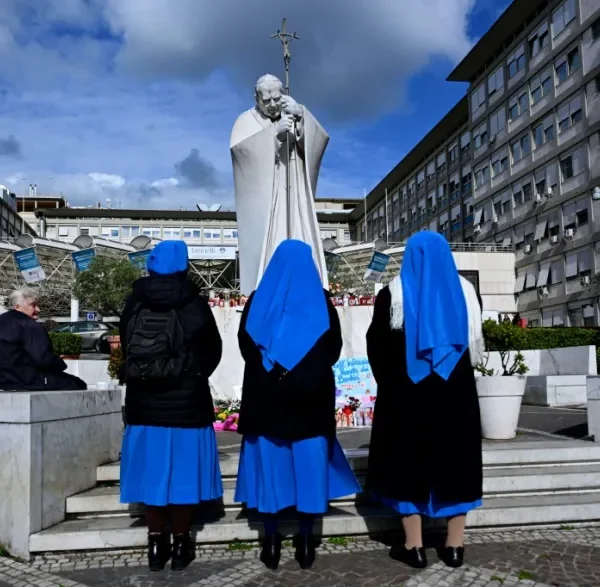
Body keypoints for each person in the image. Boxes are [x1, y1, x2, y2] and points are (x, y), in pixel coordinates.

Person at [234, 239, 361, 570]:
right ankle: (306, 541)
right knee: (309, 467)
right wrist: (302, 371)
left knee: (272, 468)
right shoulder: (322, 302)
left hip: (266, 396)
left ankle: (272, 541)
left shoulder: (257, 301)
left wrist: (275, 370)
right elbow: (332, 349)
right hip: (310, 398)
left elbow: (246, 346)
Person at [365, 231, 484, 570]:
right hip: (455, 394)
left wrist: (391, 384)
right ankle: (455, 546)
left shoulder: (393, 293)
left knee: (406, 463)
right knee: (457, 462)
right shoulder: (466, 291)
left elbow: (378, 347)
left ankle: (414, 546)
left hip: (406, 396)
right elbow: (472, 343)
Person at [119, 241, 223, 572]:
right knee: (183, 476)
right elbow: (212, 349)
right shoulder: (194, 302)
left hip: (144, 402)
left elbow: (126, 342)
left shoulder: (135, 300)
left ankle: (154, 545)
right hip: (186, 404)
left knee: (153, 475)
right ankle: (181, 546)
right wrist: (191, 373)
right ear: (183, 265)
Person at [230, 74, 329, 295]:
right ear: (256, 98)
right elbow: (241, 155)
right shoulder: (245, 121)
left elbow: (319, 141)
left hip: (294, 195)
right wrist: (273, 135)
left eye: (277, 98)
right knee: (270, 249)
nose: (273, 104)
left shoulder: (292, 112)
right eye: (267, 101)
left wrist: (301, 116)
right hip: (267, 198)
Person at [0, 288, 86, 391]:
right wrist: (59, 362)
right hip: (25, 381)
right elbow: (42, 360)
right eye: (33, 305)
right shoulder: (30, 325)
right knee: (78, 383)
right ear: (17, 307)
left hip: (4, 381)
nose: (38, 310)